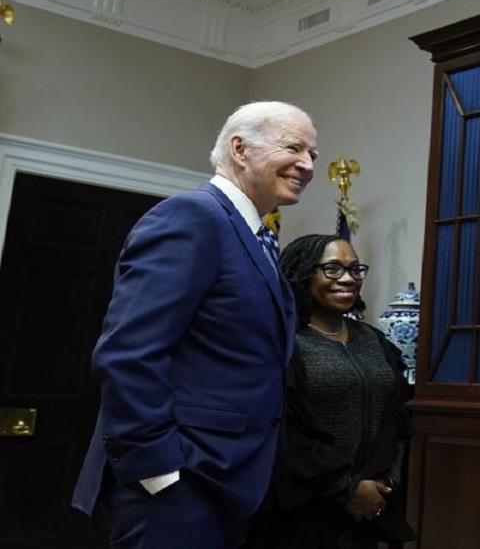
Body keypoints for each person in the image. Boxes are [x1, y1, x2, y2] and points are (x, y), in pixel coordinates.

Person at [71, 101, 319, 549]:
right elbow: (128, 354)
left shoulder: (257, 236)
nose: (307, 164)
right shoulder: (192, 216)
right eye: (294, 147)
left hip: (229, 482)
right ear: (240, 149)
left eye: (313, 155)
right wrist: (159, 472)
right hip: (177, 486)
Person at [246, 235, 416, 549]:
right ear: (303, 273)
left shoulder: (374, 341)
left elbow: (397, 422)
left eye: (355, 270)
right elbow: (279, 430)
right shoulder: (282, 344)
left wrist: (384, 482)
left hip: (367, 509)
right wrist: (345, 487)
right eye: (333, 269)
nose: (348, 279)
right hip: (300, 511)